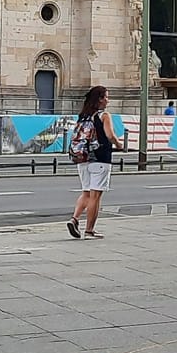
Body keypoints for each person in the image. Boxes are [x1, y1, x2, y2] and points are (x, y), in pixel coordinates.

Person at [67, 85, 119, 239]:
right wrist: (119, 144)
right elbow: (109, 135)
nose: (108, 100)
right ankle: (89, 230)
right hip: (100, 158)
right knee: (95, 196)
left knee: (86, 192)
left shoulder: (83, 116)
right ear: (100, 99)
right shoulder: (104, 115)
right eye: (106, 97)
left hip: (82, 158)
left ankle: (74, 219)